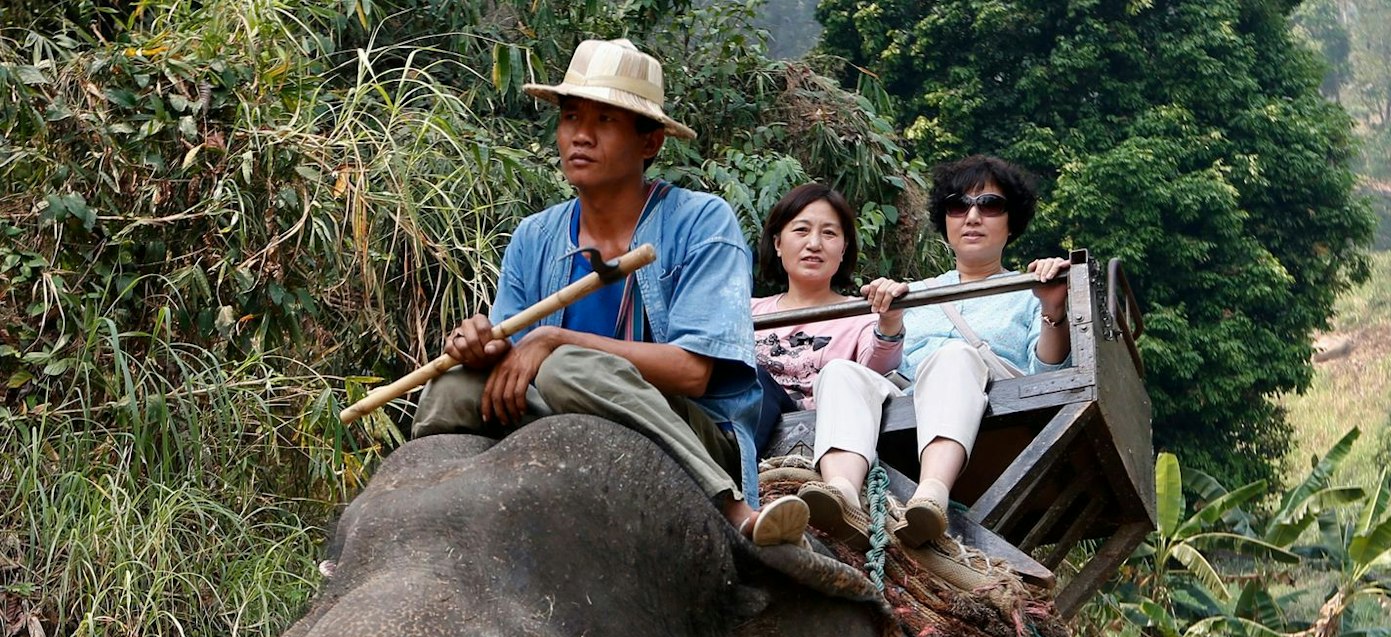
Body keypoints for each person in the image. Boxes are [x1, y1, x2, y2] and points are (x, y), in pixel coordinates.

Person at [415, 38, 806, 546]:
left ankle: (731, 508)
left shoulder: (701, 221)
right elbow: (513, 357)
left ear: (650, 143)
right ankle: (412, 522)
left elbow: (692, 371)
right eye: (571, 117)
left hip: (685, 429)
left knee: (569, 367)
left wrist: (557, 341)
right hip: (558, 407)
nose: (580, 135)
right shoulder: (534, 236)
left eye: (605, 121)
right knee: (450, 387)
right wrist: (482, 347)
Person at [798, 155, 1073, 559]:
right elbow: (887, 370)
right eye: (958, 205)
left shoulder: (1029, 288)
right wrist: (889, 322)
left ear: (1011, 222)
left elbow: (1045, 373)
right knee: (840, 371)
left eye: (990, 205)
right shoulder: (915, 293)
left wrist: (1052, 307)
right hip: (911, 401)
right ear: (945, 220)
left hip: (992, 405)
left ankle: (931, 494)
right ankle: (842, 492)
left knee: (953, 356)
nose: (973, 216)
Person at [750, 183, 902, 411]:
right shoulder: (746, 311)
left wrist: (890, 320)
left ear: (843, 249)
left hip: (822, 431)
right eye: (801, 230)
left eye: (829, 233)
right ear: (778, 243)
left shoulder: (861, 316)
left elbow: (875, 374)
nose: (814, 244)